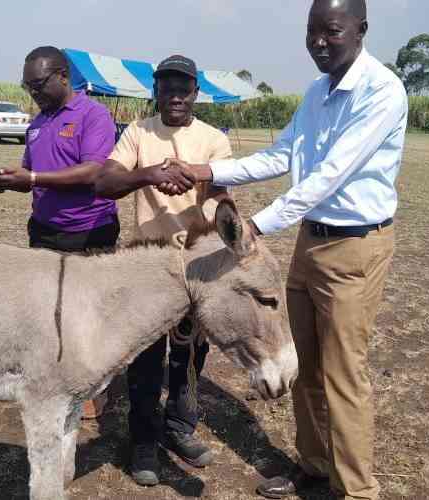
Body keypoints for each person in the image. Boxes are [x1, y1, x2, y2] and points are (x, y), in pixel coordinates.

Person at [165, 1, 408, 498]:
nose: (319, 41)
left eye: (332, 31)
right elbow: (282, 155)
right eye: (311, 31)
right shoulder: (318, 92)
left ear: (361, 30)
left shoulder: (382, 91)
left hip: (355, 247)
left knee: (343, 373)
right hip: (311, 242)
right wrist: (208, 173)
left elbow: (326, 177)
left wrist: (253, 224)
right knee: (302, 364)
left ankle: (357, 490)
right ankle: (315, 466)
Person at [94, 54, 232, 487]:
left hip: (196, 265)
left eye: (183, 88)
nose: (175, 95)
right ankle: (144, 441)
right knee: (146, 360)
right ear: (156, 90)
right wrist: (150, 174)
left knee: (190, 356)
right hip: (147, 269)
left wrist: (193, 182)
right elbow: (106, 182)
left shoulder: (213, 140)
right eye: (167, 87)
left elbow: (224, 195)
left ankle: (179, 428)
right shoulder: (138, 132)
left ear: (196, 93)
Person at [0, 46, 118, 419]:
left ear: (63, 75)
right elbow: (32, 175)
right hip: (44, 231)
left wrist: (35, 178)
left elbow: (94, 172)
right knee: (48, 312)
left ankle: (96, 388)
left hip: (89, 231)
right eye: (27, 87)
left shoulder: (94, 115)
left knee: (89, 314)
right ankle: (56, 377)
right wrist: (13, 181)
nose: (34, 93)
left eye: (39, 84)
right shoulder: (38, 123)